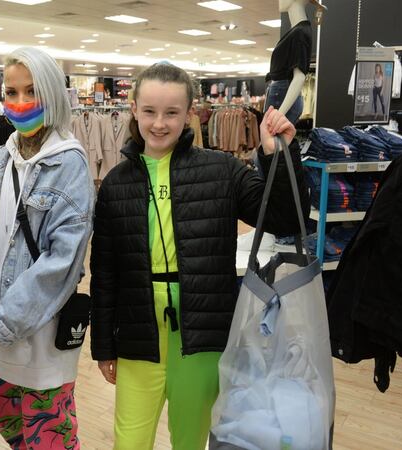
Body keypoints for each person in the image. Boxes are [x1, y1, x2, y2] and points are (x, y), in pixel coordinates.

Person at [90, 62, 308, 450]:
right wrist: (104, 344)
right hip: (138, 333)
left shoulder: (221, 170)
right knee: (129, 440)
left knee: (190, 440)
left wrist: (279, 155)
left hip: (203, 331)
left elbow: (282, 217)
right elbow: (105, 272)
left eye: (171, 113)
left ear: (189, 113)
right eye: (150, 111)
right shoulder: (115, 185)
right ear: (134, 110)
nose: (159, 123)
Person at [0, 46, 94, 449]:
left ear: (53, 96)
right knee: (14, 435)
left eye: (32, 92)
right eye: (12, 92)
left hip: (37, 339)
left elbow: (60, 264)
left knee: (50, 439)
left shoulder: (70, 166)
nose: (21, 103)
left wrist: (3, 326)